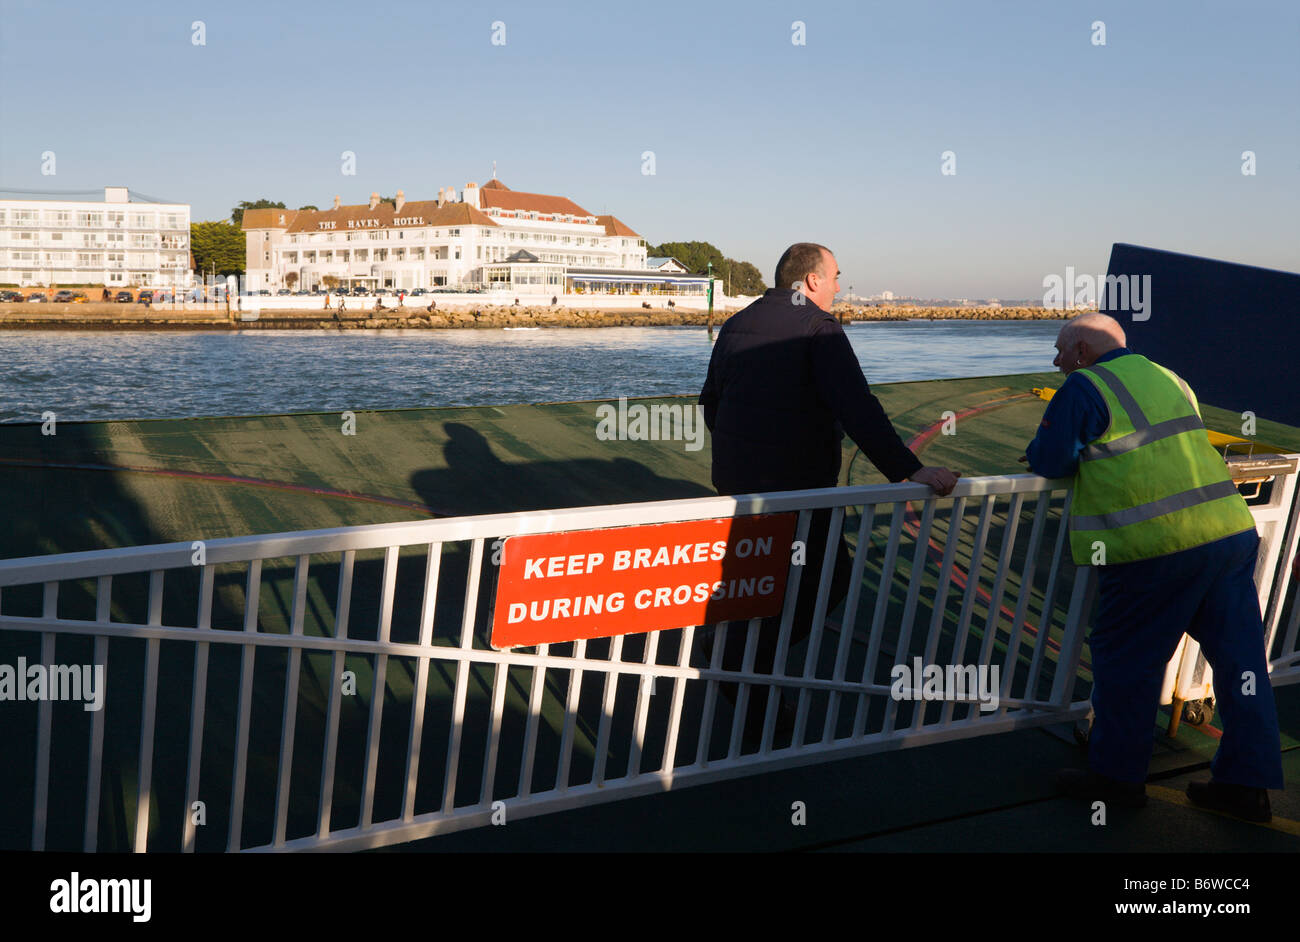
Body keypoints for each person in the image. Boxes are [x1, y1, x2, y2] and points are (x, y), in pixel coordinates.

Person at [698, 242, 959, 744]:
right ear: (812, 281)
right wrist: (910, 470)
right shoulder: (820, 329)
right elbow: (858, 408)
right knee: (827, 579)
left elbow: (711, 402)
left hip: (739, 488)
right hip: (800, 491)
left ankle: (752, 686)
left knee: (758, 582)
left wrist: (740, 456)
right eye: (836, 276)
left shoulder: (736, 324)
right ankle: (739, 660)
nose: (840, 285)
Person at [1026, 312, 1283, 821]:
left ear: (1081, 351)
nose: (1055, 361)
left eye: (1059, 351)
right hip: (1228, 534)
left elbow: (1052, 459)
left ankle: (1118, 779)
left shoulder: (1085, 385)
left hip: (1155, 549)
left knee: (1127, 665)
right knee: (1242, 667)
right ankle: (1246, 786)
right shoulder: (1170, 377)